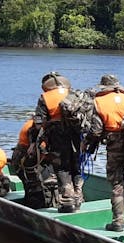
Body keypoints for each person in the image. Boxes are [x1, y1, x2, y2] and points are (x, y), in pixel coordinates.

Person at [83, 74, 124, 231]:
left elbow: (96, 131)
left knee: (117, 184)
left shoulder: (98, 102)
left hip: (114, 146)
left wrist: (88, 146)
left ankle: (118, 221)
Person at [32, 71, 83, 212]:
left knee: (61, 167)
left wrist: (37, 140)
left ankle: (67, 203)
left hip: (57, 135)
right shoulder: (73, 94)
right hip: (77, 134)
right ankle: (78, 198)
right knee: (76, 165)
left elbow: (38, 123)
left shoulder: (45, 97)